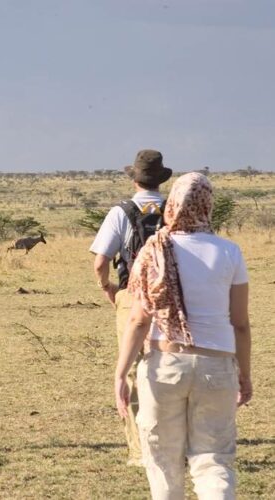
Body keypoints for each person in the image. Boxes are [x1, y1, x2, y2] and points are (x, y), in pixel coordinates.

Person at [115, 173, 252, 499]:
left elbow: (137, 320)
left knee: (163, 463)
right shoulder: (230, 252)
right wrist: (244, 374)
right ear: (208, 206)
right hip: (217, 367)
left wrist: (121, 373)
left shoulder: (153, 251)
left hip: (164, 365)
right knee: (214, 461)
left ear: (171, 205)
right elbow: (241, 324)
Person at [90, 149, 172, 466]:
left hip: (131, 295)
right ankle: (174, 443)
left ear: (135, 179)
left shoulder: (120, 212)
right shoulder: (174, 210)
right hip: (171, 297)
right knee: (170, 365)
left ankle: (140, 451)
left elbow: (100, 262)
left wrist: (108, 288)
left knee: (135, 368)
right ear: (160, 179)